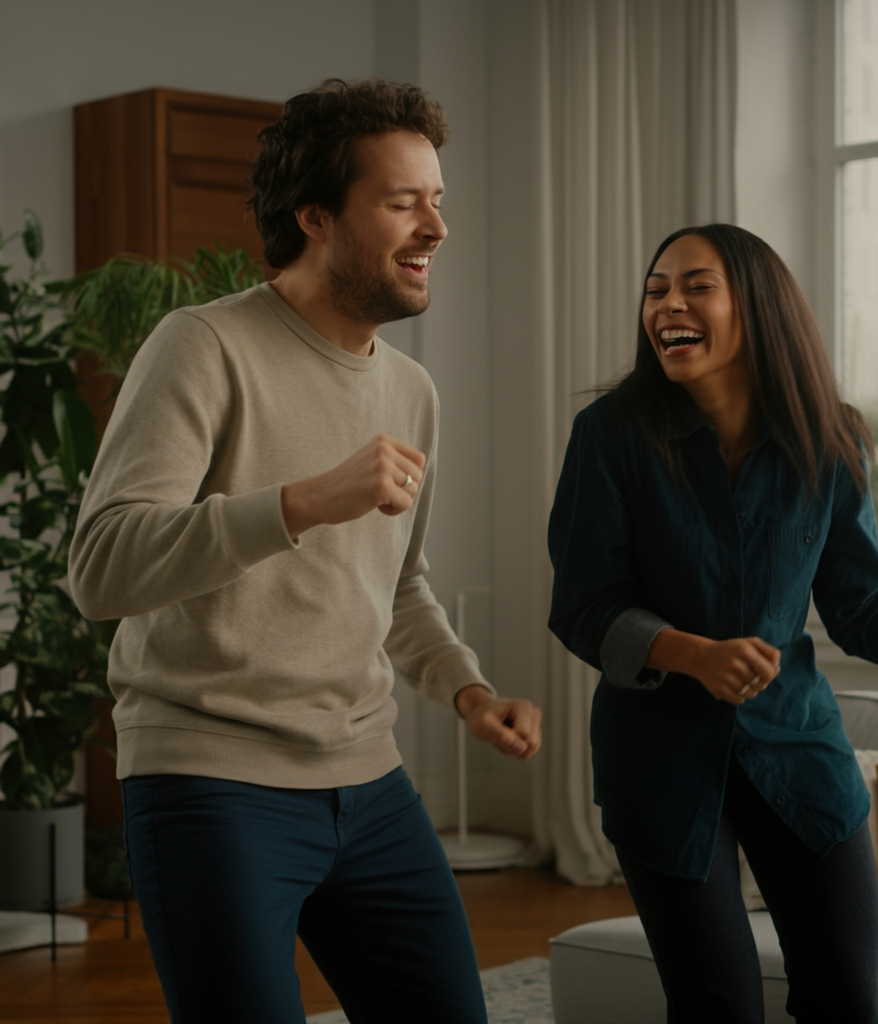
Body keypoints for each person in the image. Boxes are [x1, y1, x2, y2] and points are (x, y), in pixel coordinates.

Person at [69, 78, 541, 1024]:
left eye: (438, 200)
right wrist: (300, 502)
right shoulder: (203, 346)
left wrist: (468, 688)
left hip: (368, 779)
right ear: (316, 215)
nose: (436, 226)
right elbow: (102, 568)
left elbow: (398, 588)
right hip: (210, 782)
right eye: (404, 201)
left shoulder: (412, 392)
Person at [546, 223, 878, 1024]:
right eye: (656, 288)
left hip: (800, 754)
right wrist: (691, 653)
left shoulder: (829, 439)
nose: (668, 304)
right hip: (658, 763)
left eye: (697, 285)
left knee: (847, 999)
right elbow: (583, 607)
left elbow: (866, 615)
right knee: (717, 1005)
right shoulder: (611, 435)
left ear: (757, 307)